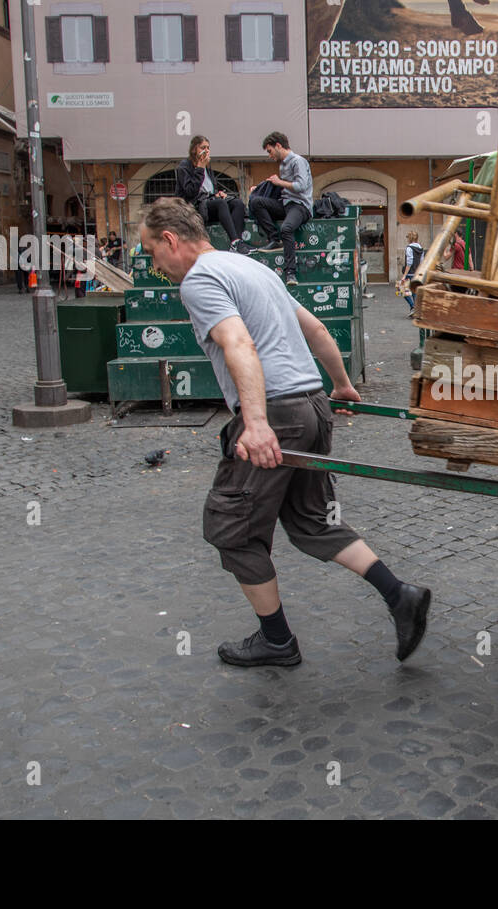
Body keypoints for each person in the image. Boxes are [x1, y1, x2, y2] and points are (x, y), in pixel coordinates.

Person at [139, 197, 432, 667]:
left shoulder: (200, 280)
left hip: (276, 413)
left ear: (171, 240)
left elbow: (239, 343)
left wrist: (254, 424)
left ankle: (276, 640)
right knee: (314, 520)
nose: (157, 266)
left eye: (153, 252)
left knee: (230, 528)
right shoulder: (251, 268)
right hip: (312, 404)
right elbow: (315, 329)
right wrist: (341, 384)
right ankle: (401, 596)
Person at [248, 132, 313, 286]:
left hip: (300, 205)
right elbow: (284, 188)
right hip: (286, 203)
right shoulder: (283, 164)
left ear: (278, 146)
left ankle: (290, 273)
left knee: (287, 228)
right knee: (256, 202)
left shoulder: (298, 162)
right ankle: (274, 239)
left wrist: (278, 182)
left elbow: (301, 186)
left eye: (270, 151)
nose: (269, 155)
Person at [176, 135, 251, 254]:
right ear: (194, 149)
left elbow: (210, 188)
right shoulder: (185, 166)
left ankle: (238, 242)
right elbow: (190, 191)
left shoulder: (207, 167)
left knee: (237, 203)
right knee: (220, 204)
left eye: (208, 148)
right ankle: (234, 241)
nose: (206, 151)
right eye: (203, 147)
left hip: (208, 202)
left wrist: (217, 193)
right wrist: (200, 168)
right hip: (194, 207)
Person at [398, 231, 424, 315]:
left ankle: (413, 307)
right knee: (414, 291)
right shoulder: (420, 248)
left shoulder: (409, 248)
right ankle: (415, 309)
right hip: (416, 273)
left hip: (409, 273)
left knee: (402, 289)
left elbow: (409, 262)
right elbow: (421, 262)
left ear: (410, 238)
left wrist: (404, 275)